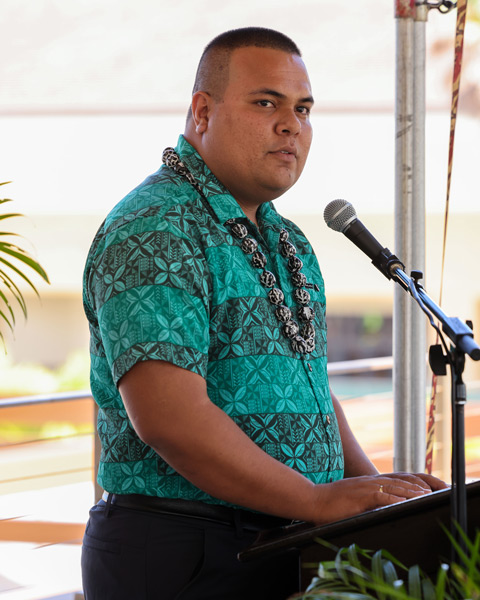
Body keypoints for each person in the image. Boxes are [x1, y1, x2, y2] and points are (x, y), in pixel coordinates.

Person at [81, 27, 446, 600]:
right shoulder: (156, 228)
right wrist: (317, 500)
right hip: (184, 548)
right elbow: (169, 418)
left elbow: (309, 390)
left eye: (302, 108)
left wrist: (377, 496)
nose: (290, 125)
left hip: (287, 542)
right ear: (202, 111)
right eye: (266, 102)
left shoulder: (289, 241)